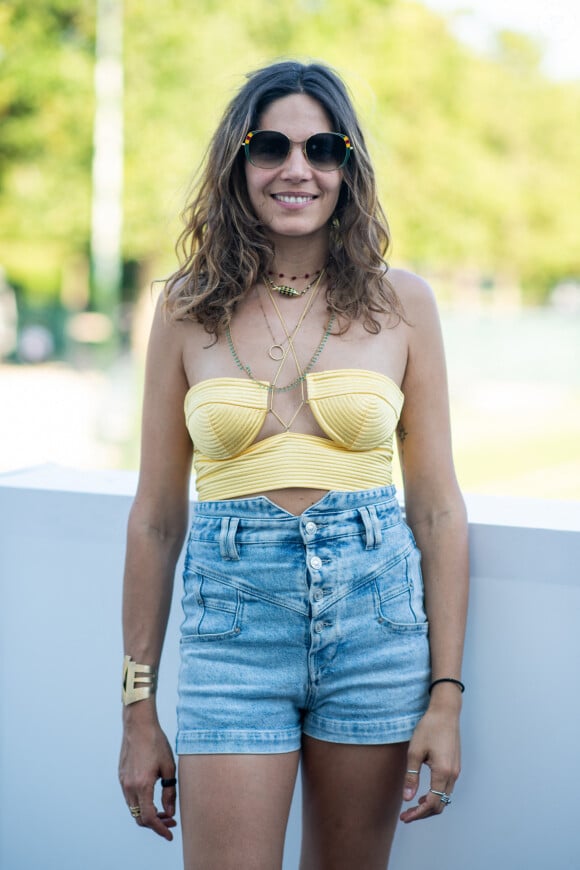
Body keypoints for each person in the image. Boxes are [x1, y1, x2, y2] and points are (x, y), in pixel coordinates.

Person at [118, 59, 469, 870]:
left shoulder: (402, 303)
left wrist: (446, 698)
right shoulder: (183, 306)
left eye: (323, 148)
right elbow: (157, 517)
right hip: (232, 630)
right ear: (237, 162)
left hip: (375, 625)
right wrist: (138, 712)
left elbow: (439, 509)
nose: (296, 169)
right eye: (270, 145)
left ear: (349, 167)